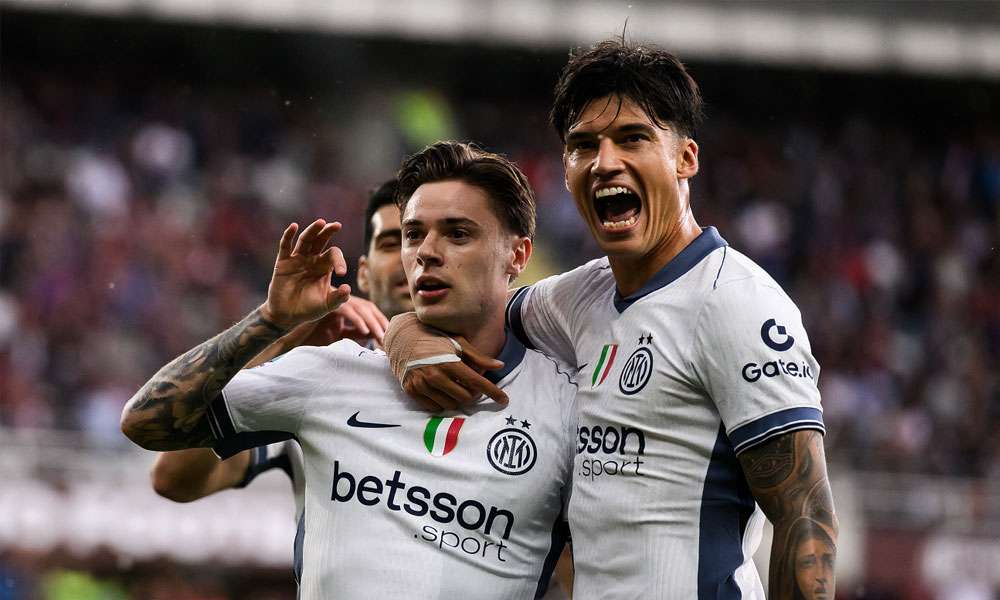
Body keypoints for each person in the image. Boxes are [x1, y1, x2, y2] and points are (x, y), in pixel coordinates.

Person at [384, 40, 838, 599]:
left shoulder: (737, 301)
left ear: (686, 158)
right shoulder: (577, 299)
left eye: (632, 138)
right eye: (583, 145)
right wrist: (403, 333)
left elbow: (805, 516)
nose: (604, 162)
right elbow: (475, 309)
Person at [121, 141, 577, 598]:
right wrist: (273, 323)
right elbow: (150, 429)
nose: (425, 252)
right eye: (410, 236)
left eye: (457, 234)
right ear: (362, 272)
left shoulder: (566, 405)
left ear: (518, 255)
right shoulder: (326, 371)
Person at [149, 180, 406, 507]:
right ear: (364, 273)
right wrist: (277, 340)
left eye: (419, 238)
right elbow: (173, 480)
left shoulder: (476, 387)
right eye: (391, 242)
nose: (410, 255)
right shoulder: (312, 376)